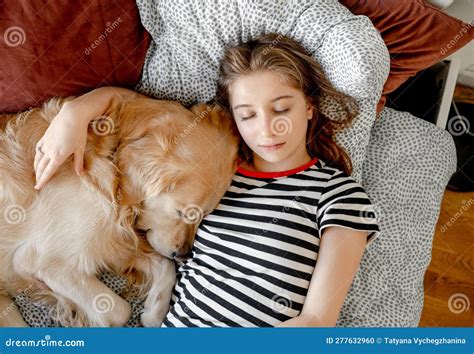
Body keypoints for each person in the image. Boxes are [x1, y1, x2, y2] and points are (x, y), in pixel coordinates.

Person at [34, 33, 380, 327]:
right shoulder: (216, 167)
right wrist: (75, 112)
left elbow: (316, 322)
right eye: (247, 115)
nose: (266, 129)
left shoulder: (338, 194)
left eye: (281, 109)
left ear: (309, 106)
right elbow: (141, 113)